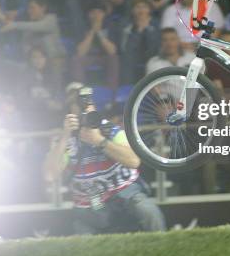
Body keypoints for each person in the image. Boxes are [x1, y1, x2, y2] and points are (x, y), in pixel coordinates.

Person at [43, 84, 166, 235]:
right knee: (81, 232)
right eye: (79, 106)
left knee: (148, 211)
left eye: (87, 105)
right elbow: (49, 175)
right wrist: (65, 136)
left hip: (125, 193)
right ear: (71, 112)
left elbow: (134, 161)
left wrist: (99, 141)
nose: (85, 111)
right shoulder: (64, 138)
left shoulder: (110, 129)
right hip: (89, 203)